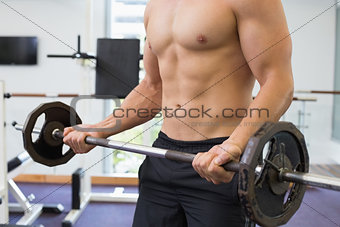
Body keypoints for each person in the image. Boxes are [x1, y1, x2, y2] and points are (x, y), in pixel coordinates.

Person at [63, 0, 293, 226]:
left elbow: (278, 82)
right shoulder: (155, 5)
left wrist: (234, 146)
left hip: (219, 163)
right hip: (162, 158)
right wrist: (103, 128)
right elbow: (153, 87)